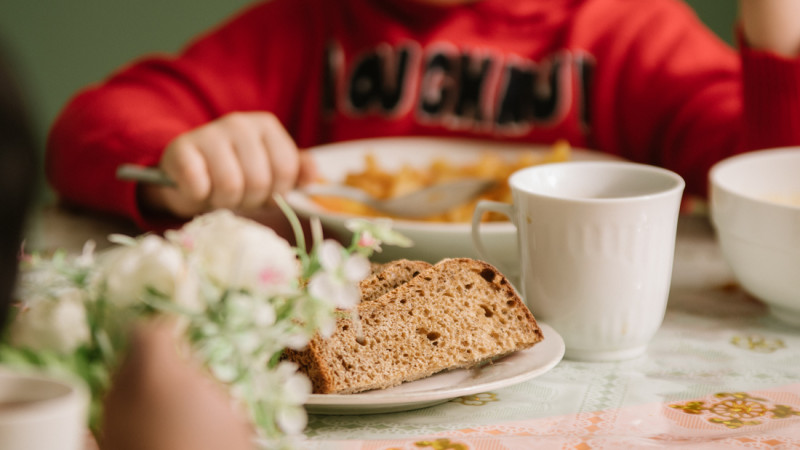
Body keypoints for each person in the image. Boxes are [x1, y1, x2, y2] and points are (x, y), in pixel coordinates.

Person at [46, 0, 800, 233]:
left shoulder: (627, 30)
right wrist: (182, 165)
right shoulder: (311, 24)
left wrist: (779, 44)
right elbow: (90, 128)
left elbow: (770, 187)